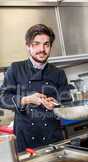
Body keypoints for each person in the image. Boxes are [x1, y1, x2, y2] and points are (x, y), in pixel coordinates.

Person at [0, 24, 71, 152]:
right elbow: (2, 98)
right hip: (25, 140)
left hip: (53, 138)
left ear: (50, 46)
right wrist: (26, 99)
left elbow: (67, 104)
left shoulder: (58, 73)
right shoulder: (15, 69)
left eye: (46, 44)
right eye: (36, 44)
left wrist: (56, 106)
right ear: (28, 46)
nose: (41, 49)